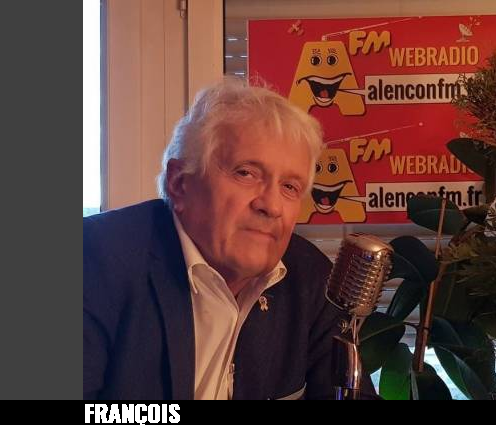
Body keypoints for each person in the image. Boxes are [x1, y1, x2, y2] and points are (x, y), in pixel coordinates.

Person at [84, 79, 375, 400]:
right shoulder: (95, 259)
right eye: (245, 173)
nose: (271, 206)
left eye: (290, 187)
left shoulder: (309, 276)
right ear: (179, 183)